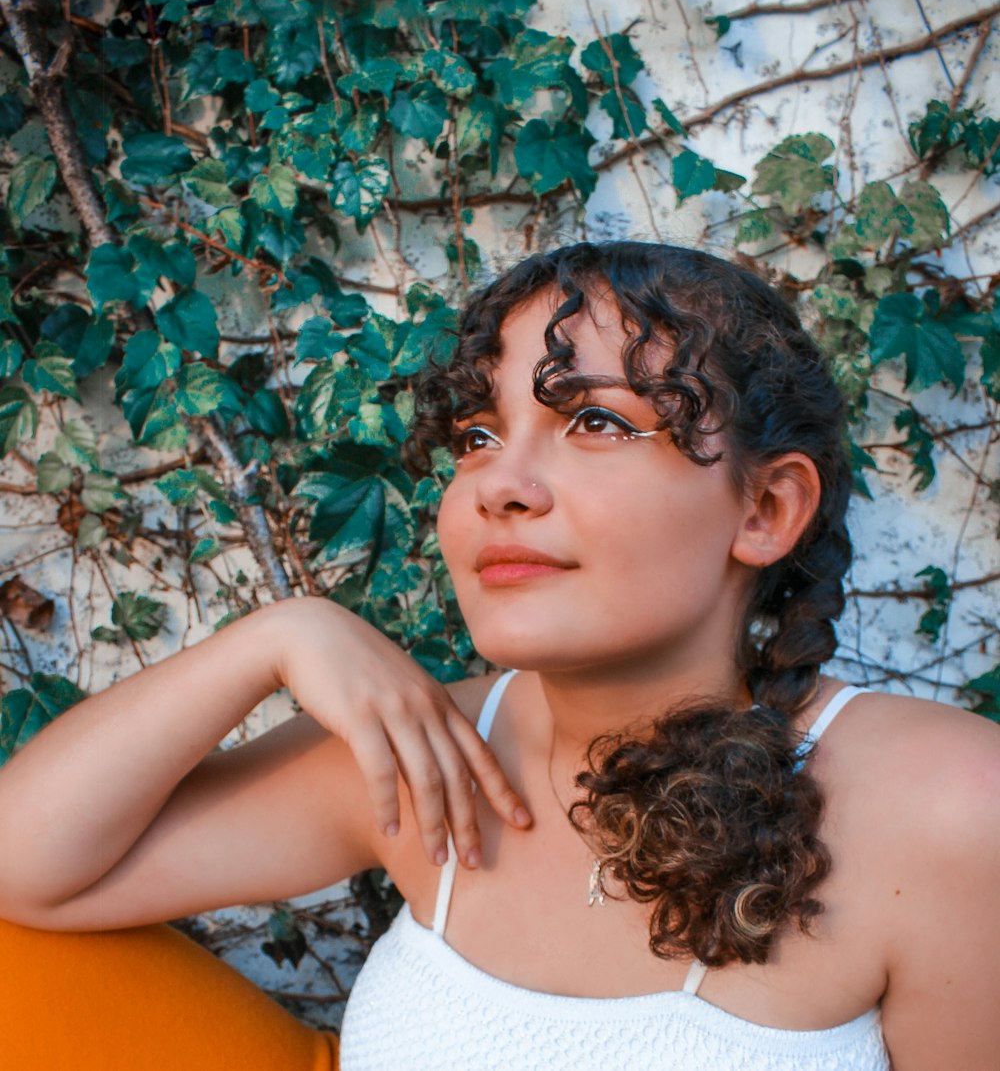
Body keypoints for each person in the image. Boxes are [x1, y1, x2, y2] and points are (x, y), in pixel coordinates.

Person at [0, 240, 997, 1071]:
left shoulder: (948, 809)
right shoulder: (427, 751)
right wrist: (276, 634)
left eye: (595, 420)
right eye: (477, 433)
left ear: (764, 506)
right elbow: (27, 873)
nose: (498, 483)